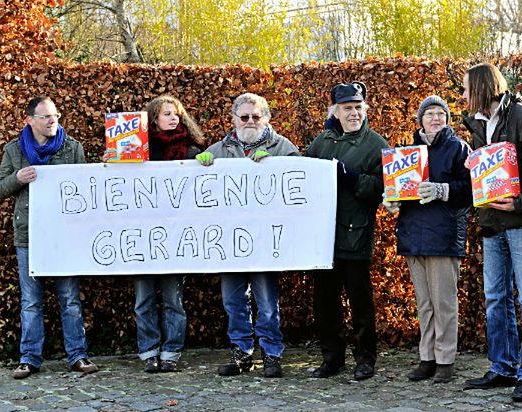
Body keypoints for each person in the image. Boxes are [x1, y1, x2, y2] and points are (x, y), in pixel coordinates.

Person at [461, 63, 522, 402]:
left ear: (483, 88)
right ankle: (502, 367)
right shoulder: (477, 124)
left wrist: (519, 202)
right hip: (492, 224)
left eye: (466, 88)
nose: (462, 95)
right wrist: (474, 165)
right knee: (495, 299)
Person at [0, 96, 98, 379]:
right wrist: (17, 178)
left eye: (56, 115)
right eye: (46, 116)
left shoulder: (72, 147)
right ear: (30, 120)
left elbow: (87, 187)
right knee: (30, 300)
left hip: (65, 236)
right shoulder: (14, 150)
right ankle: (29, 359)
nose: (53, 121)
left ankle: (78, 356)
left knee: (70, 298)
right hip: (29, 236)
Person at [195, 92, 299, 378]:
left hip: (265, 241)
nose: (250, 121)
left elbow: (298, 186)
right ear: (234, 120)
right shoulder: (218, 150)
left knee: (267, 302)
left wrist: (278, 166)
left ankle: (272, 353)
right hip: (229, 242)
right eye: (245, 117)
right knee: (233, 301)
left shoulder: (283, 147)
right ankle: (241, 353)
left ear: (265, 118)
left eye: (256, 116)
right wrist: (199, 166)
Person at [383, 96, 472, 383]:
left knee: (443, 302)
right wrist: (393, 200)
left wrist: (442, 189)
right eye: (429, 113)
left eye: (440, 114)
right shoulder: (407, 152)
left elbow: (470, 189)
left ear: (447, 119)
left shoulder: (458, 148)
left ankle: (446, 360)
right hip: (414, 235)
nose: (435, 118)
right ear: (420, 119)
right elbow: (399, 188)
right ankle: (427, 357)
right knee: (424, 303)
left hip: (444, 235)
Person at [305, 82, 388, 381]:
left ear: (364, 110)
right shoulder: (321, 142)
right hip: (323, 238)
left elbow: (382, 188)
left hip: (355, 233)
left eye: (357, 107)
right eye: (347, 108)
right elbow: (302, 178)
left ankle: (365, 359)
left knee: (360, 302)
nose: (353, 113)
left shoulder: (376, 144)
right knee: (325, 303)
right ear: (335, 112)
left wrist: (351, 178)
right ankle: (332, 358)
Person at [133, 95, 206, 373]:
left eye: (176, 114)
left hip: (175, 237)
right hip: (142, 237)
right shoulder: (137, 151)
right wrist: (111, 164)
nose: (173, 118)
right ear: (154, 119)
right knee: (144, 299)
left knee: (174, 300)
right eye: (167, 114)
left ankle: (172, 351)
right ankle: (149, 351)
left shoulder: (191, 150)